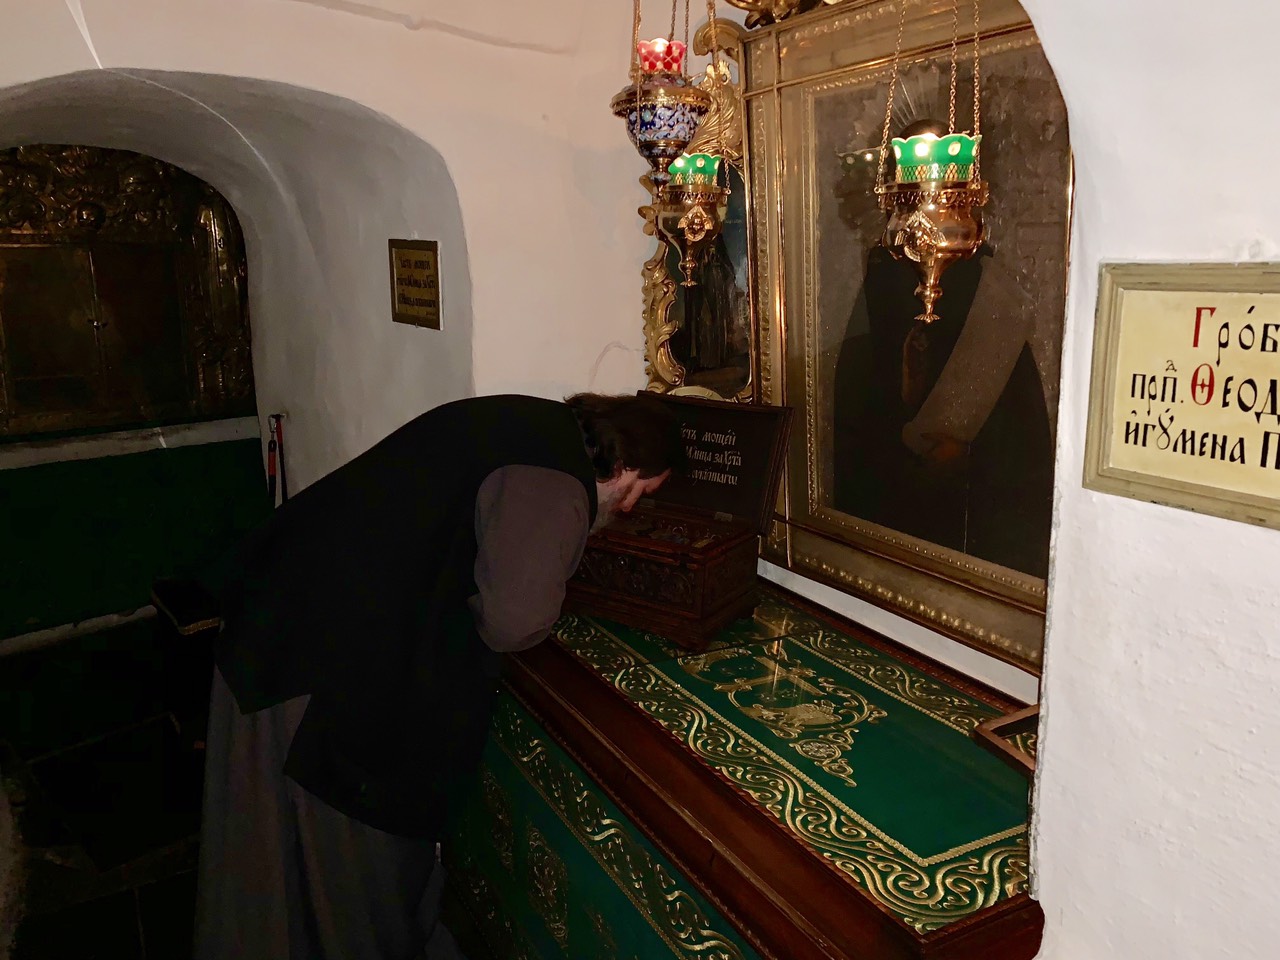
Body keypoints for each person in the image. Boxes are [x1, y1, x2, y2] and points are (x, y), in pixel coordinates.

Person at [193, 391, 685, 960]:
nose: (631, 508)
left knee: (272, 863)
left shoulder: (538, 424)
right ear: (628, 467)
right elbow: (515, 619)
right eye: (644, 492)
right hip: (313, 670)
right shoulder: (556, 478)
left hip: (281, 626)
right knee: (341, 882)